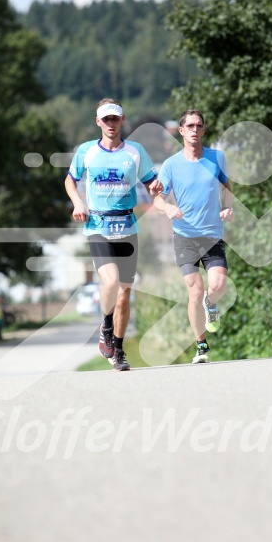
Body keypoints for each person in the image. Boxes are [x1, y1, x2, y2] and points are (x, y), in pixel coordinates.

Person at [65, 98, 163, 371]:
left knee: (124, 295)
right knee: (109, 282)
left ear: (122, 120)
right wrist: (77, 202)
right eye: (106, 119)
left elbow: (150, 182)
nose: (111, 123)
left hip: (127, 227)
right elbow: (70, 181)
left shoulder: (135, 151)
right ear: (98, 122)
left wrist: (157, 186)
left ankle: (117, 350)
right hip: (98, 225)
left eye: (115, 118)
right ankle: (105, 327)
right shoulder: (86, 151)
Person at [149, 109, 234, 364]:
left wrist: (228, 206)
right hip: (184, 236)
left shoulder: (216, 158)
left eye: (199, 126)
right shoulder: (172, 165)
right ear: (182, 131)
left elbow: (227, 187)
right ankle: (201, 345)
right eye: (190, 126)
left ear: (203, 131)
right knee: (195, 291)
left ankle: (212, 304)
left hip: (212, 235)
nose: (195, 130)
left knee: (217, 287)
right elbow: (157, 200)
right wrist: (168, 208)